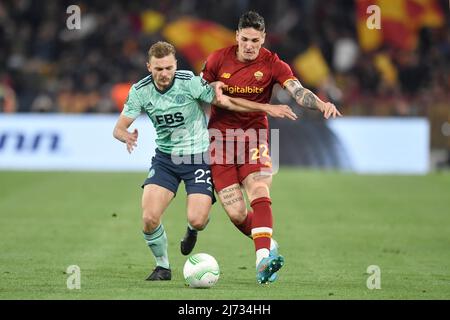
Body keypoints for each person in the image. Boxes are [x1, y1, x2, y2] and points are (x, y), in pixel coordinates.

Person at [113, 41, 297, 281]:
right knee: (149, 218)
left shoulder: (189, 81)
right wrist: (125, 135)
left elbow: (225, 101)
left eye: (168, 67)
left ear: (175, 65)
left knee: (198, 220)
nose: (164, 74)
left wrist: (264, 107)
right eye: (158, 69)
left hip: (199, 157)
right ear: (149, 67)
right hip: (166, 159)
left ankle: (193, 231)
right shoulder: (140, 91)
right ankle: (163, 267)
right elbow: (118, 127)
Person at [201, 11, 342, 284]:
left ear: (263, 38)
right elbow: (204, 94)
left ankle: (262, 260)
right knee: (237, 213)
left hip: (255, 137)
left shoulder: (274, 64)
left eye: (255, 40)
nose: (250, 45)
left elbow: (297, 91)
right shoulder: (217, 59)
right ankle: (267, 242)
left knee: (259, 189)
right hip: (220, 141)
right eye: (245, 39)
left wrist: (321, 103)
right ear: (237, 36)